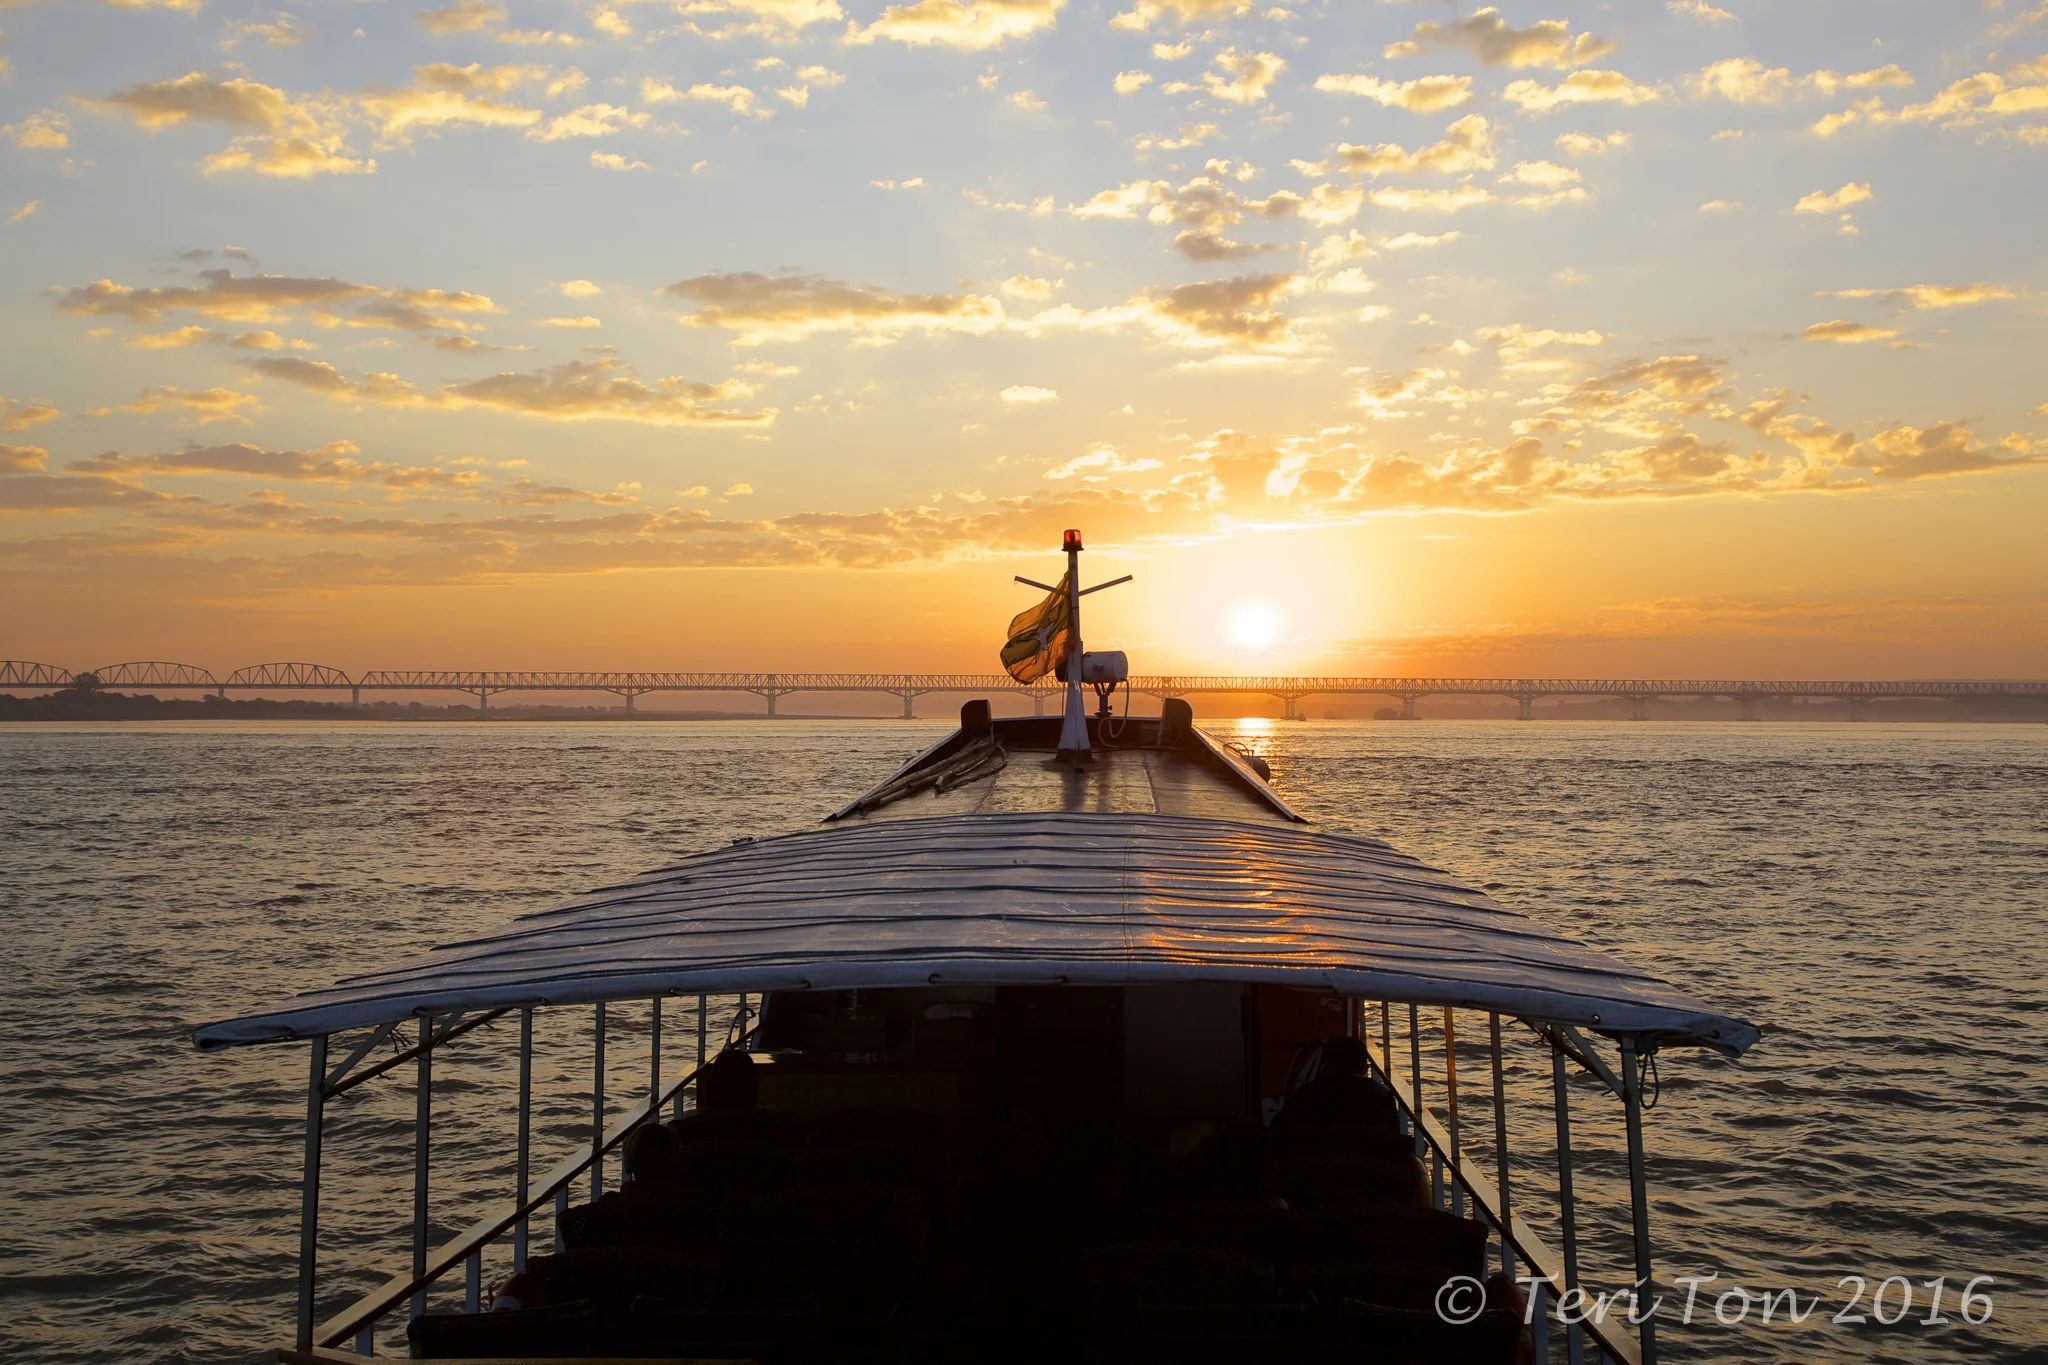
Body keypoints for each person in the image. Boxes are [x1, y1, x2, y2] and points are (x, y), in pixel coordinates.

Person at [1272, 1037, 1399, 1136]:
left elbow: (1278, 1128)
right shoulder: (1381, 1095)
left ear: (1328, 1064)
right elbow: (1393, 1135)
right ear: (1365, 1068)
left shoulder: (1309, 1093)